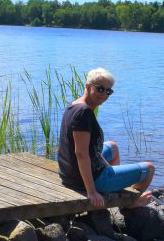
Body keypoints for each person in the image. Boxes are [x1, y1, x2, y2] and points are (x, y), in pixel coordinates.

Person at [57, 67, 155, 208]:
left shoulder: (75, 105)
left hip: (70, 174)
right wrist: (91, 191)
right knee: (149, 169)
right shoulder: (84, 113)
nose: (104, 94)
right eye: (100, 89)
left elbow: (88, 149)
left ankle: (114, 183)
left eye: (108, 91)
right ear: (88, 86)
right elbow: (81, 154)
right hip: (84, 180)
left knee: (112, 147)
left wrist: (105, 165)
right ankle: (130, 202)